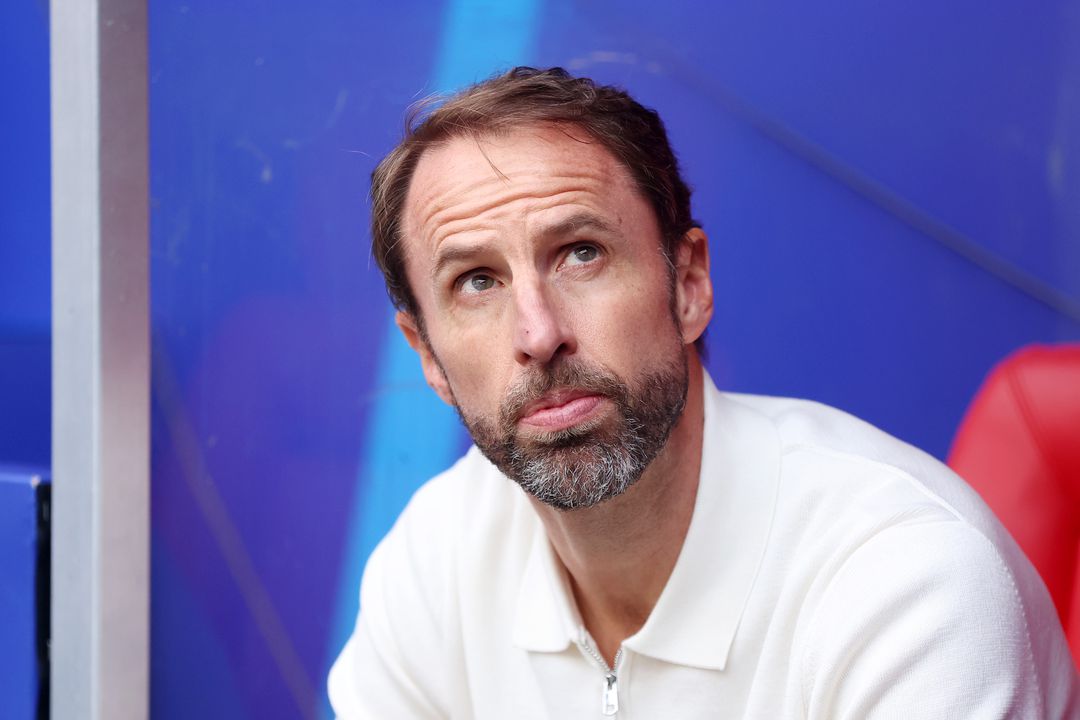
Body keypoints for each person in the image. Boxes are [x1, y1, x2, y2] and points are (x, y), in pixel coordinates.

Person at [329, 67, 1078, 718]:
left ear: (687, 285)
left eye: (581, 253)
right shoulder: (436, 561)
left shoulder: (908, 581)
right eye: (476, 281)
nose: (538, 332)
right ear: (427, 355)